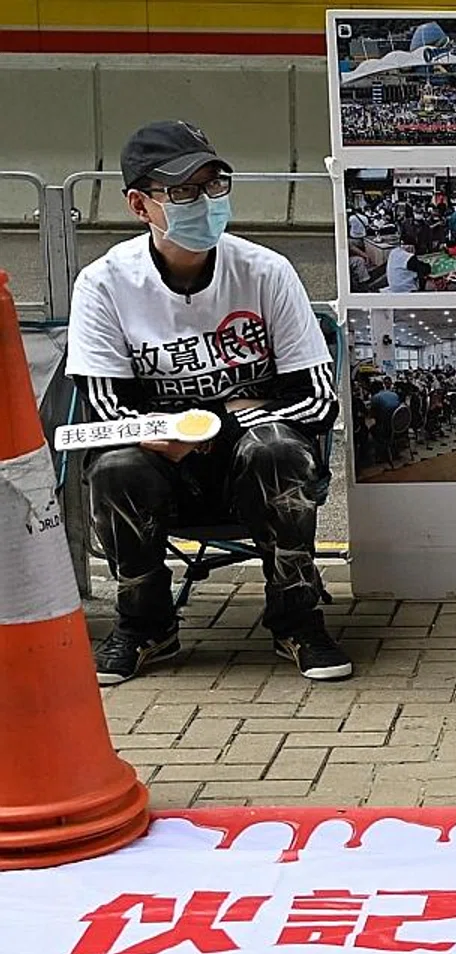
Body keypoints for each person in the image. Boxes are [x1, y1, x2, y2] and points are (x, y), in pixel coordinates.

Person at [68, 121, 352, 684]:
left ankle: (297, 620)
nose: (203, 202)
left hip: (249, 463)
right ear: (138, 204)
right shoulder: (104, 284)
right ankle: (145, 626)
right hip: (159, 469)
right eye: (181, 192)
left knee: (278, 450)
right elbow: (103, 409)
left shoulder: (266, 272)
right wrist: (194, 422)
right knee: (118, 463)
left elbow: (319, 402)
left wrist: (212, 424)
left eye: (213, 185)